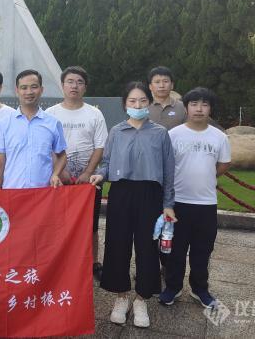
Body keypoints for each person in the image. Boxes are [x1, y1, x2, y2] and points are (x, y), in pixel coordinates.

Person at [90, 81, 175, 328]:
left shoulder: (160, 133)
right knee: (118, 244)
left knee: (148, 247)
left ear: (149, 103)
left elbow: (169, 171)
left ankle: (142, 298)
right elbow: (106, 162)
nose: (137, 105)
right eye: (132, 101)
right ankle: (121, 296)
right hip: (121, 193)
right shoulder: (117, 131)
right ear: (124, 104)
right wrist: (100, 175)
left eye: (142, 101)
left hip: (150, 194)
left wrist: (168, 203)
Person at [160, 87, 231, 308]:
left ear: (210, 109)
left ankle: (200, 290)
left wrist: (207, 175)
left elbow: (223, 165)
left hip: (206, 204)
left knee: (202, 250)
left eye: (204, 104)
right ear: (186, 107)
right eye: (194, 104)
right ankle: (173, 287)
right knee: (176, 251)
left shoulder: (219, 136)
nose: (199, 109)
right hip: (177, 203)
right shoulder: (173, 135)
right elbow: (165, 167)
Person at [46, 66, 108, 281]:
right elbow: (47, 145)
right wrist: (59, 171)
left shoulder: (94, 113)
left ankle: (93, 263)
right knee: (57, 223)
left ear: (85, 87)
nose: (74, 86)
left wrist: (88, 172)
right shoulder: (51, 114)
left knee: (90, 225)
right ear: (62, 85)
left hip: (87, 181)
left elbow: (100, 146)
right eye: (70, 81)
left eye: (79, 82)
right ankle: (59, 262)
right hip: (58, 180)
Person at [0, 69, 67, 189]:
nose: (29, 92)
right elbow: (0, 163)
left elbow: (62, 156)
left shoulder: (53, 123)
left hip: (42, 193)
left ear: (41, 90)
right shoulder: (4, 124)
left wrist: (55, 174)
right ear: (17, 91)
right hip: (12, 192)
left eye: (34, 87)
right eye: (24, 87)